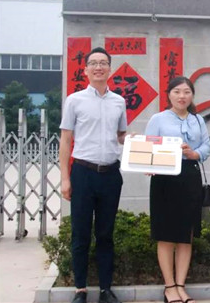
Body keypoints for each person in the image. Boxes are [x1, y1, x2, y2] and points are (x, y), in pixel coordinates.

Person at [59, 47, 127, 303]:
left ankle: (105, 289)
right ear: (86, 69)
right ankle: (80, 289)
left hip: (110, 174)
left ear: (110, 69)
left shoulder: (119, 101)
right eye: (94, 63)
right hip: (83, 173)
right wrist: (65, 178)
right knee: (81, 234)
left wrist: (142, 145)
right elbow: (66, 140)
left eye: (103, 63)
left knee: (106, 234)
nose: (99, 67)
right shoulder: (74, 100)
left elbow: (121, 136)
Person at [145, 76, 210, 303]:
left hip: (190, 177)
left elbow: (206, 146)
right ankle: (169, 287)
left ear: (192, 95)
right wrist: (149, 164)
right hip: (165, 180)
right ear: (169, 95)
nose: (182, 96)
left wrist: (195, 153)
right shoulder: (158, 119)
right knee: (166, 235)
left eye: (186, 92)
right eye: (177, 92)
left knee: (186, 235)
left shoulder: (197, 120)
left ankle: (181, 285)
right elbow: (148, 146)